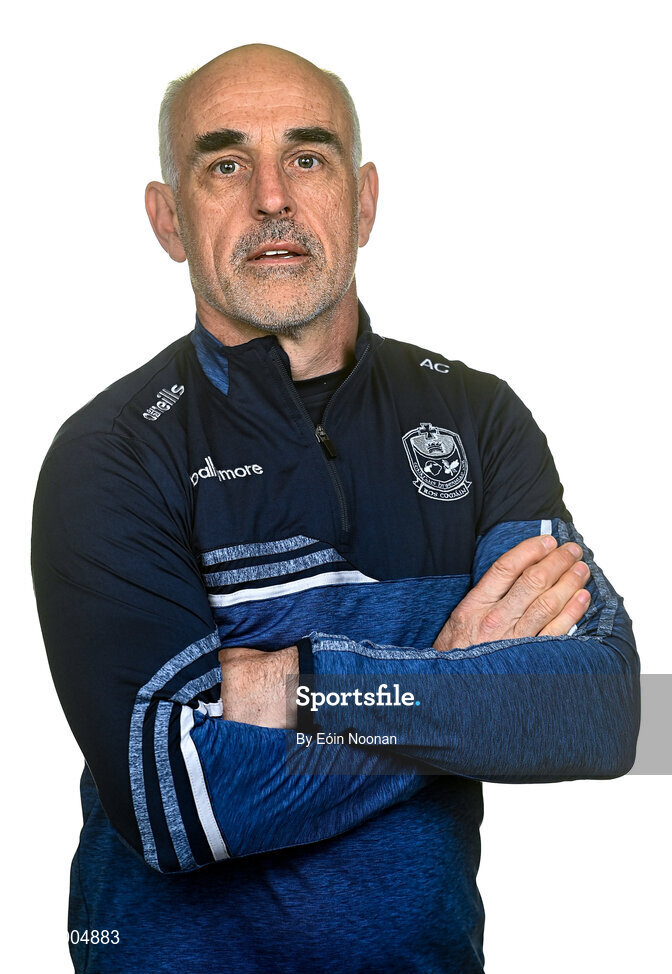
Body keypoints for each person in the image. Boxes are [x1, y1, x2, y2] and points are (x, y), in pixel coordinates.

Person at [31, 43, 639, 974]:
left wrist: (289, 686)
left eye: (307, 158)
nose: (272, 196)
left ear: (363, 201)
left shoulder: (477, 418)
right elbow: (176, 797)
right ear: (168, 220)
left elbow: (603, 710)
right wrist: (453, 680)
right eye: (225, 164)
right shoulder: (109, 452)